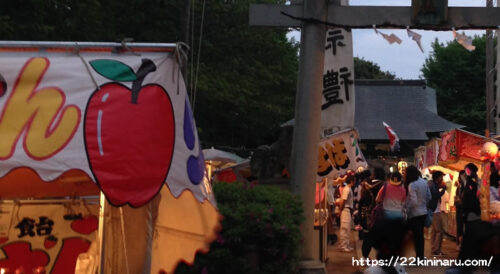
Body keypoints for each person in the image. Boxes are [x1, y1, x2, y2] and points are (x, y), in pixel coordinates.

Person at [374, 172, 407, 261]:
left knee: (385, 238)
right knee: (396, 238)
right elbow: (403, 204)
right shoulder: (403, 190)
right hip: (398, 217)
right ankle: (396, 258)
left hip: (386, 217)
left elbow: (377, 199)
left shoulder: (385, 187)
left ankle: (384, 257)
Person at [358, 167, 385, 258]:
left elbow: (361, 200)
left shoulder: (365, 185)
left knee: (367, 237)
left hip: (367, 214)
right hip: (380, 214)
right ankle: (381, 259)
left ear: (374, 175)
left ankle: (365, 257)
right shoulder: (384, 185)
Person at [405, 165, 431, 259]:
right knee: (420, 236)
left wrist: (407, 210)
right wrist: (424, 205)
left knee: (416, 236)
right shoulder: (424, 182)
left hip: (414, 214)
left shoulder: (412, 185)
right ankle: (420, 256)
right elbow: (429, 197)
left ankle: (418, 257)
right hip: (423, 212)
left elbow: (413, 201)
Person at [429, 171, 447, 256]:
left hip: (433, 210)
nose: (442, 179)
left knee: (434, 231)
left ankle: (434, 249)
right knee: (439, 231)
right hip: (435, 211)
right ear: (437, 177)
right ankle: (436, 250)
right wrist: (443, 189)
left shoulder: (433, 184)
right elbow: (436, 195)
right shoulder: (433, 185)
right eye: (441, 177)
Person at [338, 174, 356, 252]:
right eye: (354, 180)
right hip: (345, 210)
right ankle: (343, 245)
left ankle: (346, 245)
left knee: (347, 228)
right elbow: (343, 200)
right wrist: (340, 210)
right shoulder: (347, 189)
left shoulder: (348, 188)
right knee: (344, 228)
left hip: (347, 210)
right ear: (352, 181)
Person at [454, 170, 466, 250]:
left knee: (464, 228)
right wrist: (457, 201)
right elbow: (456, 199)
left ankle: (463, 244)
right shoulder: (459, 187)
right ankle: (459, 244)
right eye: (461, 176)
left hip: (465, 210)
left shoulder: (467, 187)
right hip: (459, 210)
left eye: (463, 176)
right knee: (459, 227)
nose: (461, 178)